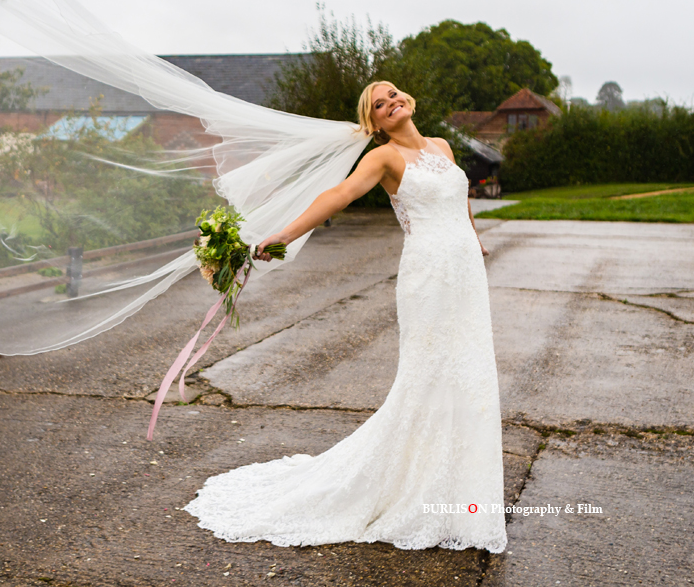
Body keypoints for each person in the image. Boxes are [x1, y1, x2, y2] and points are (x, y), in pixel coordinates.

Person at [182, 81, 507, 553]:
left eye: (393, 93)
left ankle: (462, 488)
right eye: (379, 104)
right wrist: (284, 236)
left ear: (408, 99)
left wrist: (474, 239)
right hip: (429, 276)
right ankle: (416, 487)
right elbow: (337, 195)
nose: (391, 101)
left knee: (470, 371)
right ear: (374, 123)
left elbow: (459, 202)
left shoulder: (440, 146)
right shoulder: (384, 158)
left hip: (465, 274)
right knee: (430, 372)